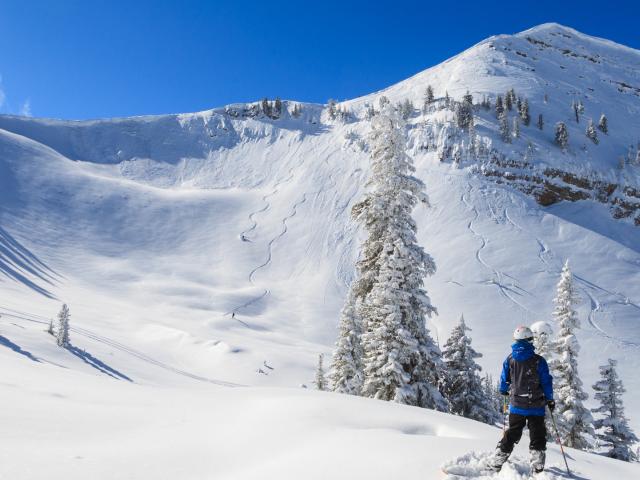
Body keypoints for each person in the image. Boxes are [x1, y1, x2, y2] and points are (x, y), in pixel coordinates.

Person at [492, 325, 554, 473]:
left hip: (517, 405)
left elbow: (504, 380)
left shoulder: (510, 359)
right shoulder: (539, 361)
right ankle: (537, 466)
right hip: (536, 406)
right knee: (537, 434)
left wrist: (503, 391)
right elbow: (546, 382)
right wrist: (550, 399)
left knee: (512, 433)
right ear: (528, 340)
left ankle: (497, 460)